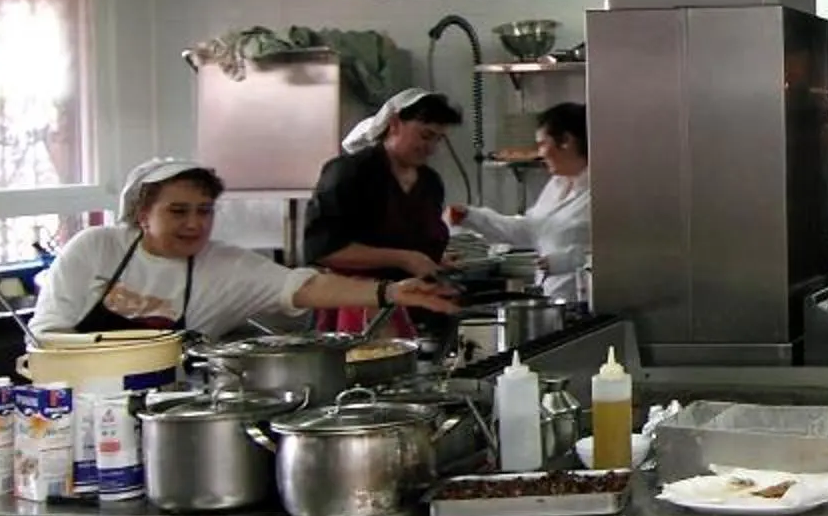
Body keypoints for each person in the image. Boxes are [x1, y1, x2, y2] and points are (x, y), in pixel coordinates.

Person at [32, 160, 462, 334]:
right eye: (178, 211)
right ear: (142, 214)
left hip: (166, 416)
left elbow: (306, 287)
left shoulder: (224, 266)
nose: (194, 224)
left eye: (204, 211)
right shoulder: (96, 249)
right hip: (71, 410)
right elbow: (48, 336)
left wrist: (391, 292)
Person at [303, 88, 462, 283]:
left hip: (415, 294)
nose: (431, 149)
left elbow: (417, 241)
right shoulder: (350, 173)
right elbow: (322, 249)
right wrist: (405, 260)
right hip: (357, 295)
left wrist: (433, 260)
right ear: (395, 124)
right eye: (425, 136)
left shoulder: (430, 182)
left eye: (438, 139)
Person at [452, 101, 592, 304]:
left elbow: (617, 252)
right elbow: (529, 229)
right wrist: (471, 216)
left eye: (542, 144)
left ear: (566, 141)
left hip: (588, 301)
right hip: (554, 298)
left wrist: (565, 261)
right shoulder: (557, 184)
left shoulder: (604, 190)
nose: (539, 153)